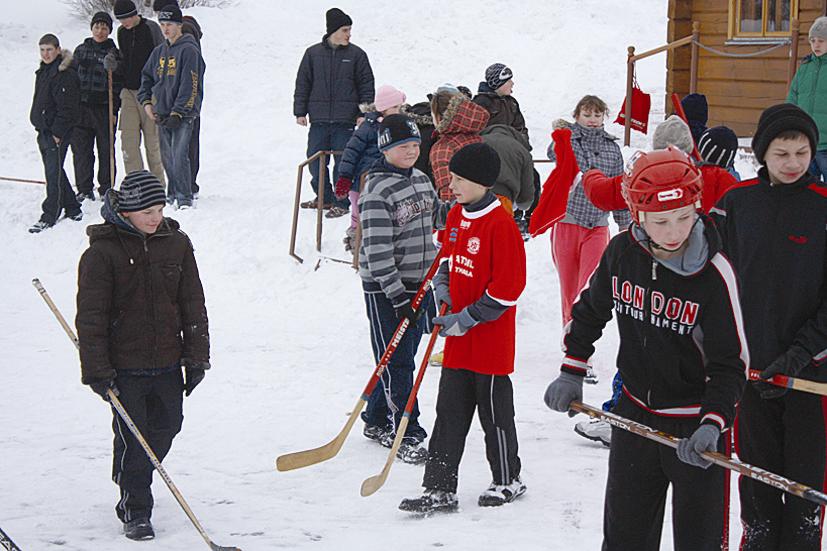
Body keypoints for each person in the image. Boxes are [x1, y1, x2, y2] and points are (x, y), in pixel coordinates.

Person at [545, 147, 747, 550]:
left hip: (695, 427)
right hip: (634, 416)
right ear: (637, 216)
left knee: (699, 539)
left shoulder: (714, 274)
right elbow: (589, 310)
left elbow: (731, 364)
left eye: (684, 218)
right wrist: (572, 368)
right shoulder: (622, 253)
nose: (674, 231)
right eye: (661, 221)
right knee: (625, 534)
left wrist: (713, 423)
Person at [710, 103, 827, 550]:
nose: (794, 163)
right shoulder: (737, 204)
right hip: (751, 373)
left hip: (808, 375)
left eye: (802, 152)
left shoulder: (823, 206)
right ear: (762, 153)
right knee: (757, 485)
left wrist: (800, 355)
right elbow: (712, 279)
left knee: (803, 491)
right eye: (782, 153)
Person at [76, 170, 210, 541]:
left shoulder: (176, 243)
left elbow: (192, 302)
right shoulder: (102, 253)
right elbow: (91, 318)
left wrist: (196, 355)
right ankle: (135, 506)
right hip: (124, 365)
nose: (156, 217)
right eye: (147, 211)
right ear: (127, 211)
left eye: (160, 208)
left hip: (167, 359)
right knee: (136, 438)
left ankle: (134, 475)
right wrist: (97, 371)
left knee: (167, 427)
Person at [399, 142, 527, 513]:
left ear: (482, 182)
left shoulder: (501, 225)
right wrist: (442, 285)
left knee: (495, 416)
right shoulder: (456, 215)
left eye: (458, 179)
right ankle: (439, 487)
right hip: (457, 342)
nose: (451, 185)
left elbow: (508, 289)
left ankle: (508, 479)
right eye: (450, 177)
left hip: (488, 343)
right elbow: (447, 260)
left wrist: (467, 318)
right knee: (449, 413)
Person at [358, 114, 449, 463]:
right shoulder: (377, 191)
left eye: (414, 145)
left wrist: (453, 211)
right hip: (386, 288)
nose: (411, 151)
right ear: (386, 149)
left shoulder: (422, 180)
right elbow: (377, 250)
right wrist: (397, 295)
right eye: (403, 146)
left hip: (419, 280)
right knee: (397, 360)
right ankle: (405, 430)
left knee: (402, 356)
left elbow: (434, 217)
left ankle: (376, 416)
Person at [294, 7, 375, 218]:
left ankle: (342, 201)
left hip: (345, 120)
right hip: (319, 119)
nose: (349, 34)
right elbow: (303, 83)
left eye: (350, 29)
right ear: (333, 31)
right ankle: (323, 198)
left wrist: (363, 113)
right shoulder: (312, 54)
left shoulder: (357, 55)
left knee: (343, 163)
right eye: (345, 29)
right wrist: (300, 111)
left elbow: (366, 85)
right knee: (315, 161)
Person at [138, 4, 205, 209]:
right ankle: (172, 192)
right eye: (163, 24)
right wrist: (147, 102)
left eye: (170, 24)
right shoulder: (159, 51)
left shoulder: (189, 50)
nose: (166, 29)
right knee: (167, 155)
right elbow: (147, 77)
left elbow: (191, 83)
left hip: (184, 113)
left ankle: (185, 196)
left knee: (179, 153)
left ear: (179, 26)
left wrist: (179, 111)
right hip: (162, 111)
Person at [335, 85, 406, 252]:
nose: (398, 110)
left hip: (384, 180)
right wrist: (345, 177)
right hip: (362, 180)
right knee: (358, 213)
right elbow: (351, 151)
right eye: (395, 107)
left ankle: (381, 243)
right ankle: (355, 241)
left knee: (381, 214)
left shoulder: (396, 125)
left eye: (399, 107)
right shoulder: (368, 127)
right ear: (383, 108)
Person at [28, 34, 83, 233]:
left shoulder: (64, 73)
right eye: (42, 50)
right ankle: (73, 206)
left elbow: (68, 108)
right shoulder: (44, 71)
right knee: (56, 169)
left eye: (49, 49)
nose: (46, 54)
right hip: (44, 129)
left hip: (56, 131)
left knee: (52, 173)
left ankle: (49, 214)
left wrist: (57, 133)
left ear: (58, 50)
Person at [71, 11, 123, 202]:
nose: (100, 31)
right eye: (97, 27)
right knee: (81, 150)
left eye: (104, 28)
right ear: (91, 28)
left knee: (106, 149)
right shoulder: (80, 50)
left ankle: (106, 187)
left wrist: (114, 110)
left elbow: (118, 85)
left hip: (103, 108)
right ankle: (84, 188)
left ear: (109, 31)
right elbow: (71, 80)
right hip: (81, 108)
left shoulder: (114, 53)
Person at [114, 0, 165, 185]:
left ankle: (158, 185)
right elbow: (125, 60)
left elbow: (163, 57)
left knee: (153, 144)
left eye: (126, 18)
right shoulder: (121, 32)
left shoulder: (151, 28)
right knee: (128, 143)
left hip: (151, 93)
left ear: (135, 14)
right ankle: (138, 185)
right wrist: (115, 63)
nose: (124, 22)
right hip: (128, 91)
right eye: (120, 20)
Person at [430, 89, 490, 200]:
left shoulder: (443, 148)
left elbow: (449, 193)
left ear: (439, 117)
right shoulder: (476, 138)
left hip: (460, 213)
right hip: (484, 208)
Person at [787, 16, 827, 182]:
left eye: (821, 40)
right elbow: (793, 98)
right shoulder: (805, 68)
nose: (816, 45)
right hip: (806, 143)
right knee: (808, 189)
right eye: (812, 40)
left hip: (826, 146)